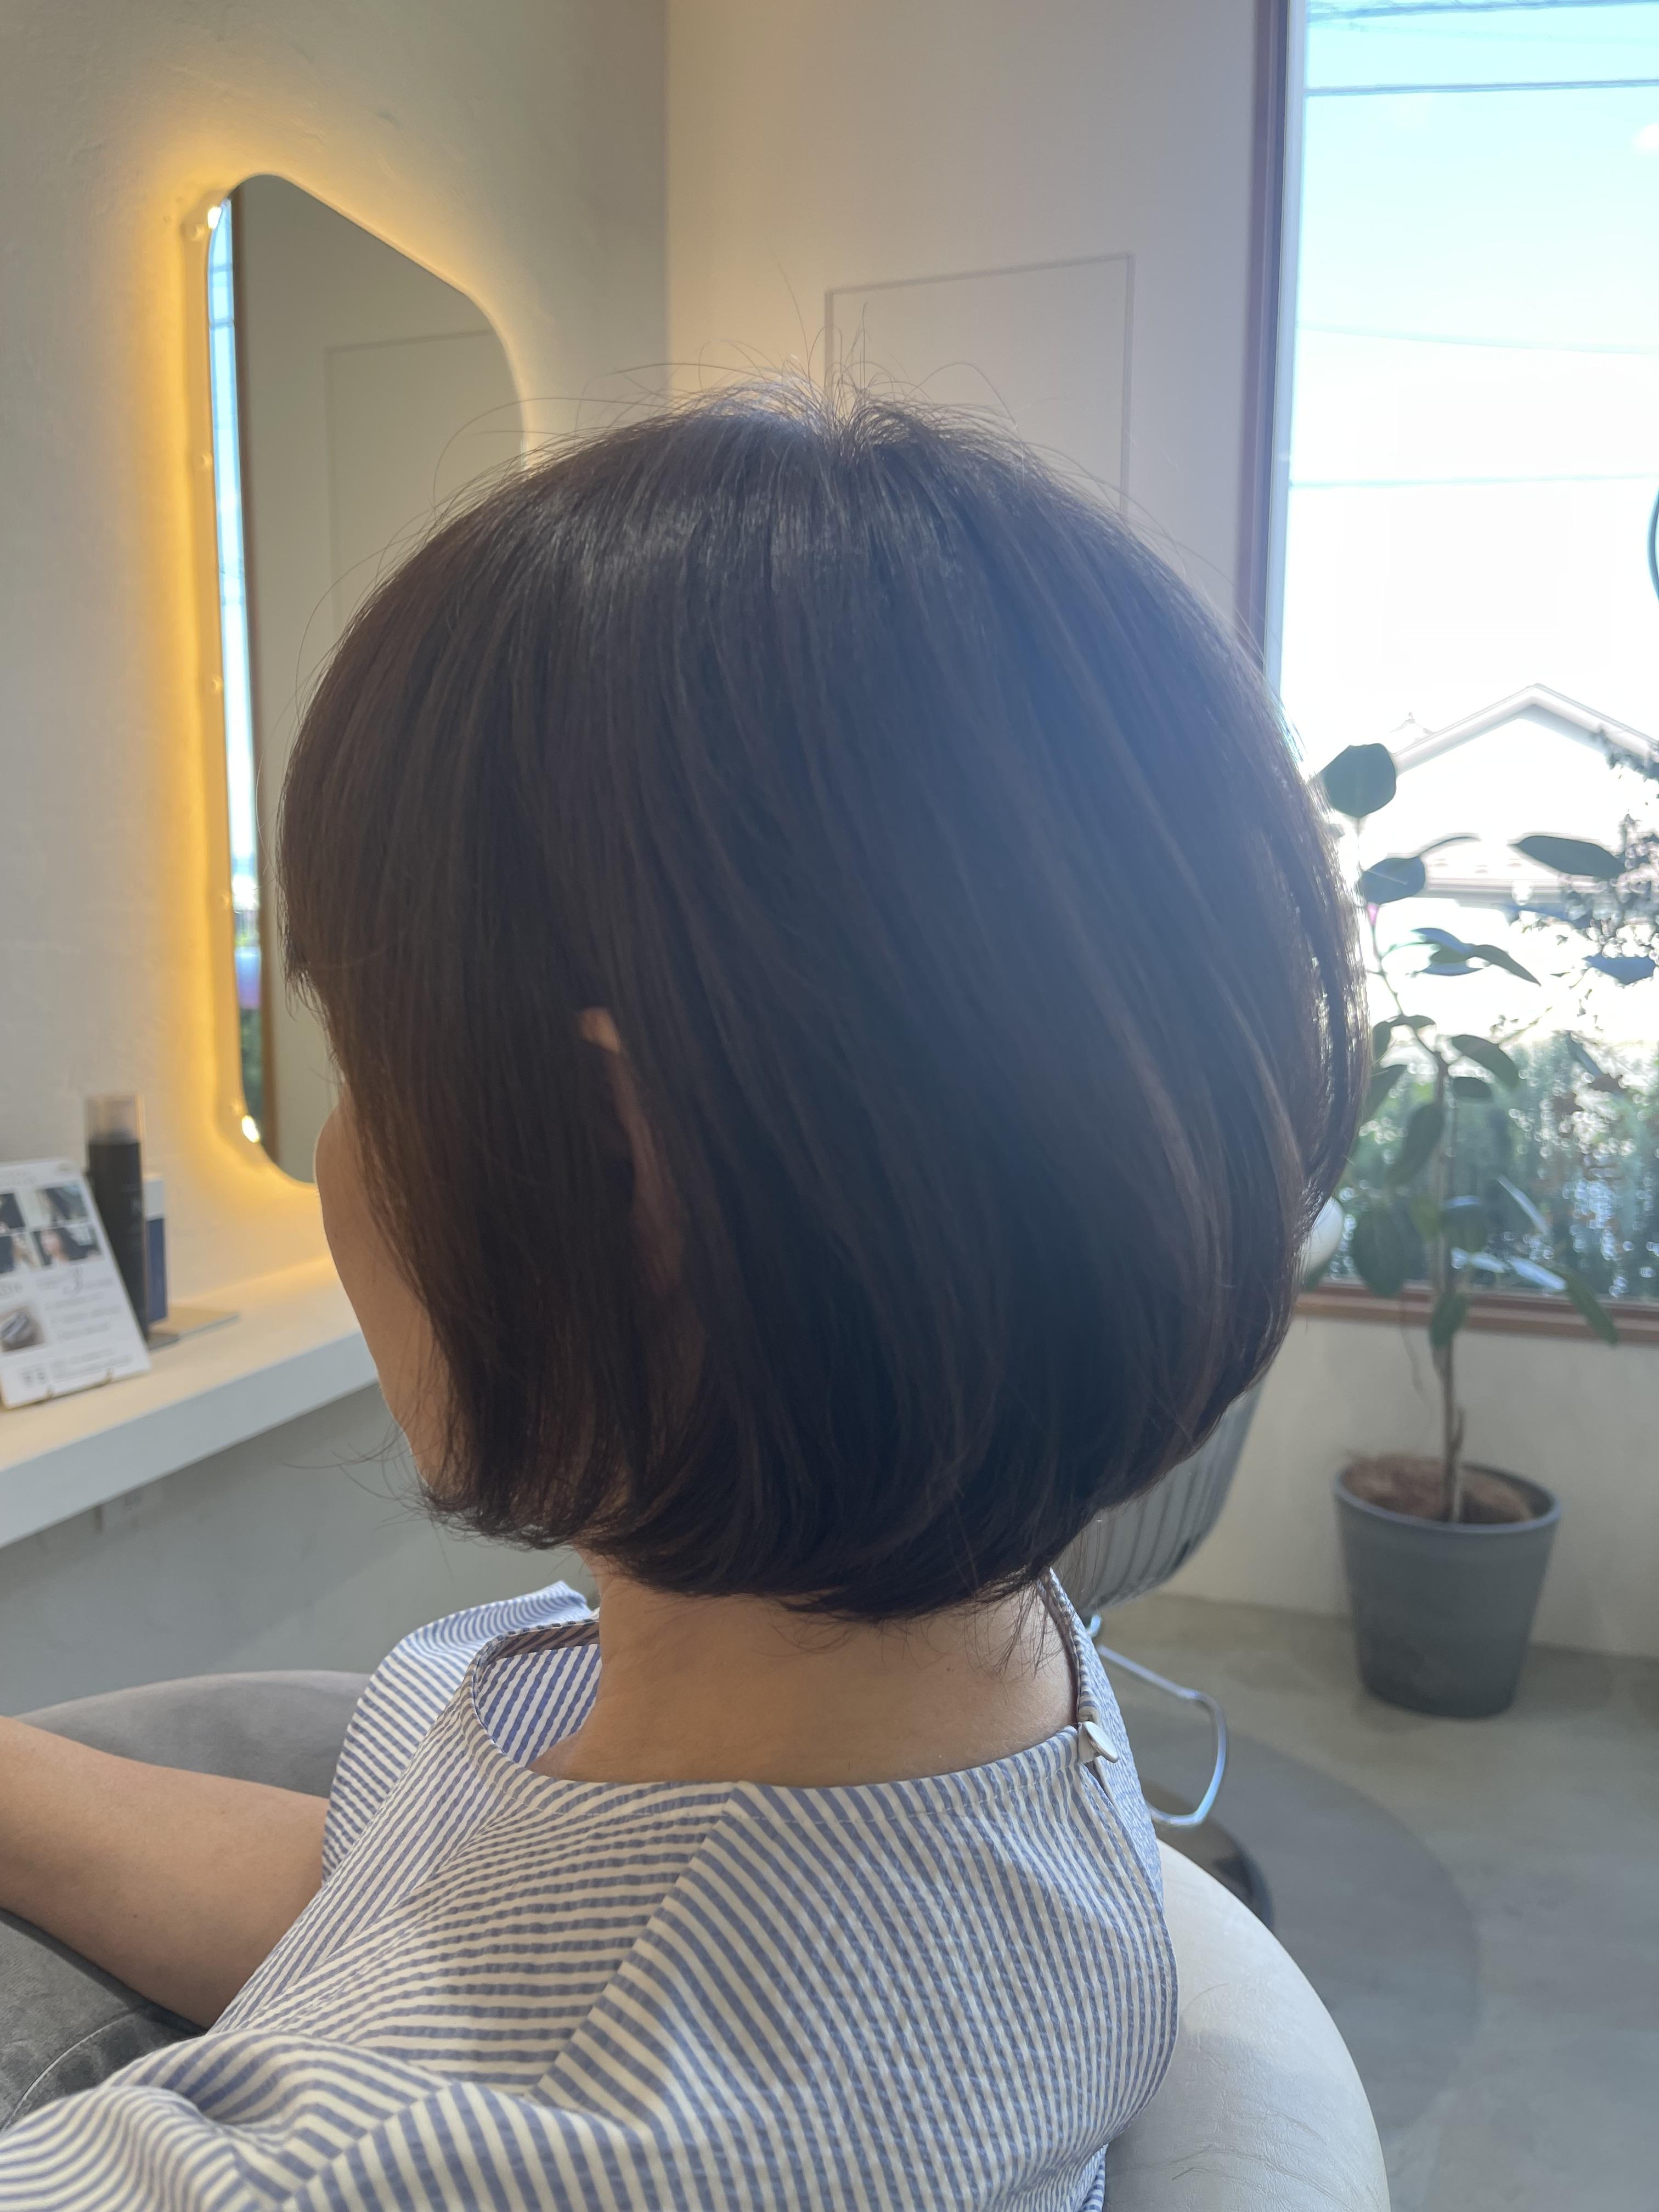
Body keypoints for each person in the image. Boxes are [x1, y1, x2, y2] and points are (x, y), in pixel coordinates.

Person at [0, 384, 1364, 2209]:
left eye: (361, 1055)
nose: (341, 1151)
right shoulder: (994, 1700)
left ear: (607, 1157)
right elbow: (398, 1914)